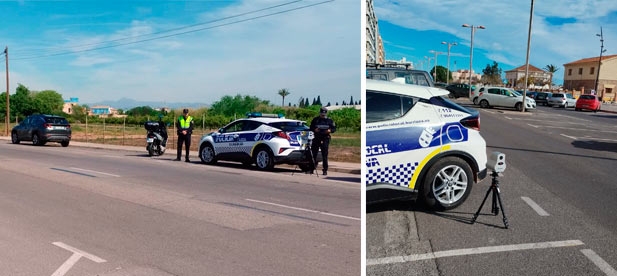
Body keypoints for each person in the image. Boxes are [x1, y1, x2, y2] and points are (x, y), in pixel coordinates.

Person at [310, 106, 336, 175]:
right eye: (322, 114)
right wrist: (314, 129)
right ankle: (312, 168)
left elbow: (334, 129)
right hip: (317, 138)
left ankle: (325, 170)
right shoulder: (316, 120)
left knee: (324, 155)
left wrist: (330, 130)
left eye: (324, 114)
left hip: (325, 138)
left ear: (326, 113)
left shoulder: (329, 121)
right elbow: (311, 127)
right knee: (314, 154)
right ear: (320, 113)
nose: (322, 115)